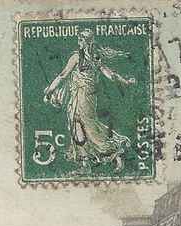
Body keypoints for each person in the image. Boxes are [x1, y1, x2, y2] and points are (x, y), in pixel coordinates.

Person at [42, 28, 136, 172]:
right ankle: (86, 164)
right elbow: (109, 74)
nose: (78, 42)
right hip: (78, 97)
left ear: (86, 42)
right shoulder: (91, 57)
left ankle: (116, 150)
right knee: (77, 126)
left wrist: (50, 90)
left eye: (81, 40)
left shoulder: (82, 58)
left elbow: (62, 75)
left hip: (84, 98)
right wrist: (125, 81)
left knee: (90, 129)